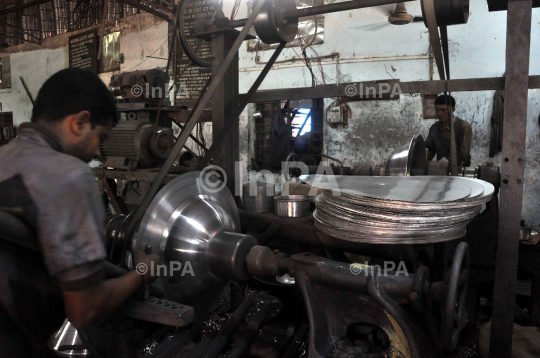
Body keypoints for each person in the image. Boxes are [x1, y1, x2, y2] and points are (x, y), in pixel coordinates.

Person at [0, 68, 160, 357]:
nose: (98, 151)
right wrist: (139, 274)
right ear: (80, 122)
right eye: (100, 137)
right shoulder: (70, 176)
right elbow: (85, 309)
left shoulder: (4, 157)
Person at [425, 94, 472, 167]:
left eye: (444, 110)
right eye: (437, 110)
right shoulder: (434, 128)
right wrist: (426, 164)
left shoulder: (463, 127)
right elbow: (431, 149)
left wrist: (446, 161)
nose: (440, 113)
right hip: (441, 169)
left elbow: (464, 155)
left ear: (453, 109)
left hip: (459, 169)